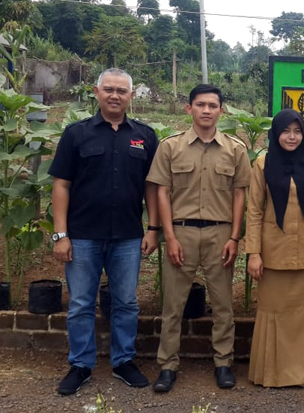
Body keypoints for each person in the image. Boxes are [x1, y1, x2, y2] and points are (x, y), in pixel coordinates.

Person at [50, 68, 159, 395]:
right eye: (108, 89)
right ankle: (80, 365)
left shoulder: (145, 136)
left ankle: (123, 360)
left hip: (127, 235)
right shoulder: (76, 134)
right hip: (82, 235)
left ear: (131, 96)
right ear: (96, 92)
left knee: (126, 302)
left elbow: (151, 187)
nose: (115, 95)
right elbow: (61, 185)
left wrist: (152, 228)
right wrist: (60, 234)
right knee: (81, 302)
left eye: (121, 91)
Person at [146, 84, 251, 393]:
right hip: (182, 233)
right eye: (200, 104)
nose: (206, 110)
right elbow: (160, 191)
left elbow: (239, 193)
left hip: (221, 234)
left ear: (221, 111)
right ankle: (167, 365)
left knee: (223, 306)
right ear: (188, 108)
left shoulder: (235, 149)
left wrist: (234, 237)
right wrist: (169, 236)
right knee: (173, 305)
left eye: (213, 105)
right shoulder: (170, 147)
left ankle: (223, 363)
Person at [245, 109, 304, 387]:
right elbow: (255, 210)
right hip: (273, 252)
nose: (292, 136)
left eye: (297, 131)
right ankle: (273, 373)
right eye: (286, 131)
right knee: (274, 311)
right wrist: (254, 253)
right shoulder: (262, 163)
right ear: (276, 133)